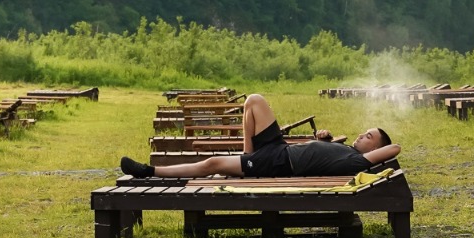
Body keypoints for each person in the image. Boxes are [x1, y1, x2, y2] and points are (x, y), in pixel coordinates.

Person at [121, 93, 400, 179]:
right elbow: (319, 157)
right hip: (276, 150)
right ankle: (247, 155)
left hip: (275, 163)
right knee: (254, 101)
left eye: (369, 136)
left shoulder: (357, 162)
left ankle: (149, 171)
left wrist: (370, 154)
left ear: (374, 150)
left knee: (212, 164)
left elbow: (395, 148)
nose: (362, 135)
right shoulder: (346, 153)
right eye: (365, 132)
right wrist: (323, 141)